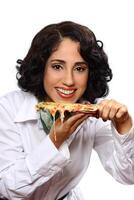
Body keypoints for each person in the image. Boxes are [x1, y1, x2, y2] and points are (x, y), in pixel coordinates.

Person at [0, 21, 134, 200]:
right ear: (41, 68)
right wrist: (55, 141)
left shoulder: (94, 112)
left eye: (79, 69)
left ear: (90, 72)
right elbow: (8, 188)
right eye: (57, 66)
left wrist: (124, 126)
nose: (69, 81)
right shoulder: (8, 107)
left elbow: (127, 176)